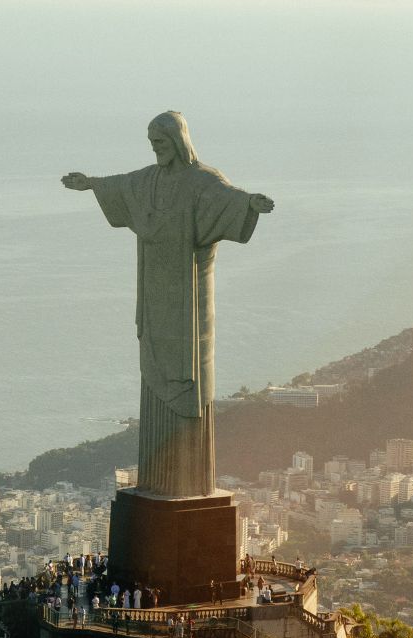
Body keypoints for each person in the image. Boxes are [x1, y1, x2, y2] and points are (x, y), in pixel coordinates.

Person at [62, 111, 273, 497]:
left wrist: (251, 205)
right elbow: (121, 186)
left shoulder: (202, 181)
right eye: (152, 144)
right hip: (155, 296)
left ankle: (187, 482)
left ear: (178, 141)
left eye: (160, 142)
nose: (156, 149)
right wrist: (89, 184)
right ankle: (157, 480)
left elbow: (229, 200)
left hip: (189, 301)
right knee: (155, 366)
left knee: (190, 375)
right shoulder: (148, 180)